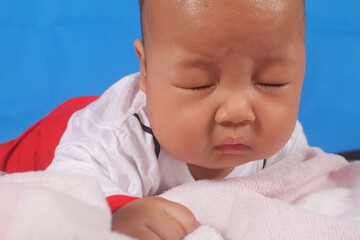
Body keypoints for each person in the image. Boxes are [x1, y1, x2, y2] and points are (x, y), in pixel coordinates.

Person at [47, 0, 308, 239]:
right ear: (146, 69)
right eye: (198, 84)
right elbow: (69, 184)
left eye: (272, 81)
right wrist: (117, 210)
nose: (237, 113)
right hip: (48, 139)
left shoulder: (287, 142)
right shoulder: (117, 136)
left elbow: (314, 190)